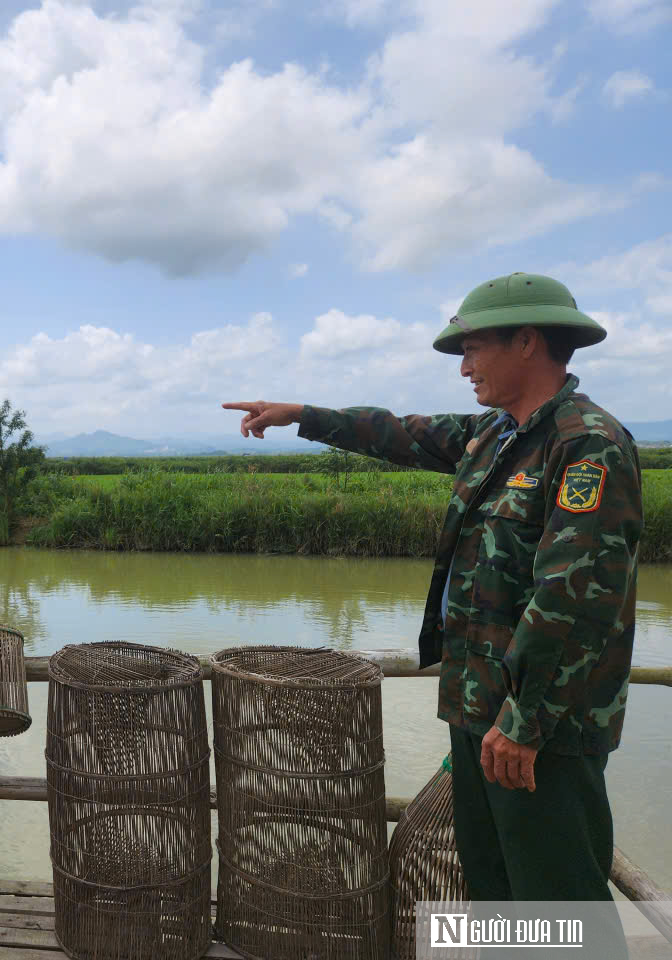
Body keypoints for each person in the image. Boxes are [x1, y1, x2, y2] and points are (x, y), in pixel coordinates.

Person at [223, 274, 641, 948]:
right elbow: (397, 432)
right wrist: (299, 413)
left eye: (474, 349)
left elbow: (574, 596)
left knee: (560, 902)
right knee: (498, 892)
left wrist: (527, 722)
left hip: (541, 726)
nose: (465, 367)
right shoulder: (496, 437)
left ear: (528, 341)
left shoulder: (585, 443)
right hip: (481, 711)